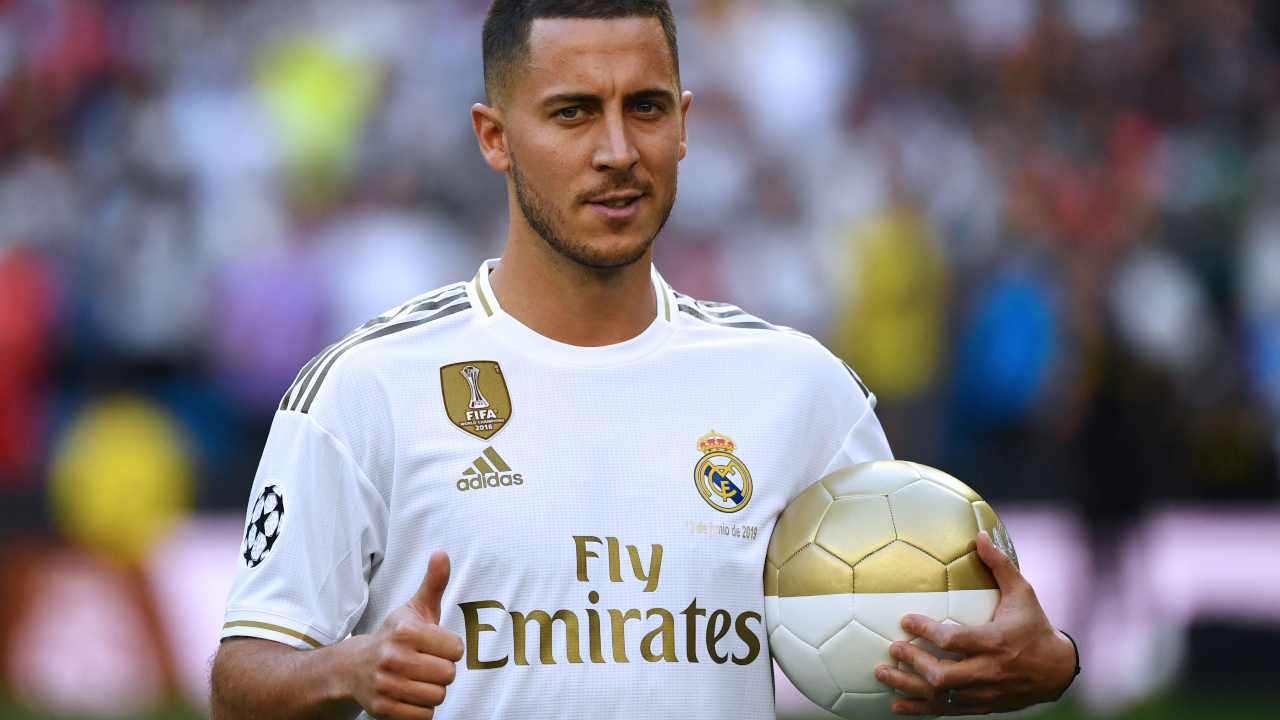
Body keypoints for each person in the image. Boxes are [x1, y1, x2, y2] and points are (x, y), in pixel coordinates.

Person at [209, 2, 1079, 718]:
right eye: (573, 111)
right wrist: (349, 670)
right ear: (493, 136)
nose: (619, 150)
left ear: (685, 123)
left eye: (647, 108)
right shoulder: (368, 387)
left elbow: (910, 650)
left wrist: (1047, 664)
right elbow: (240, 680)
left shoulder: (797, 387)